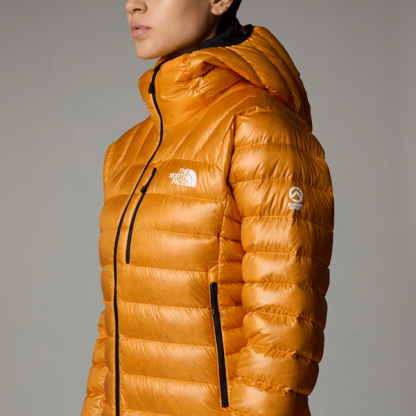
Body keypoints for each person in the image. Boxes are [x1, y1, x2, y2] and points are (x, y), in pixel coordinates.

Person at [80, 1, 334, 415]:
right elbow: (116, 326)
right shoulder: (126, 152)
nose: (134, 5)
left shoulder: (259, 129)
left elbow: (284, 326)